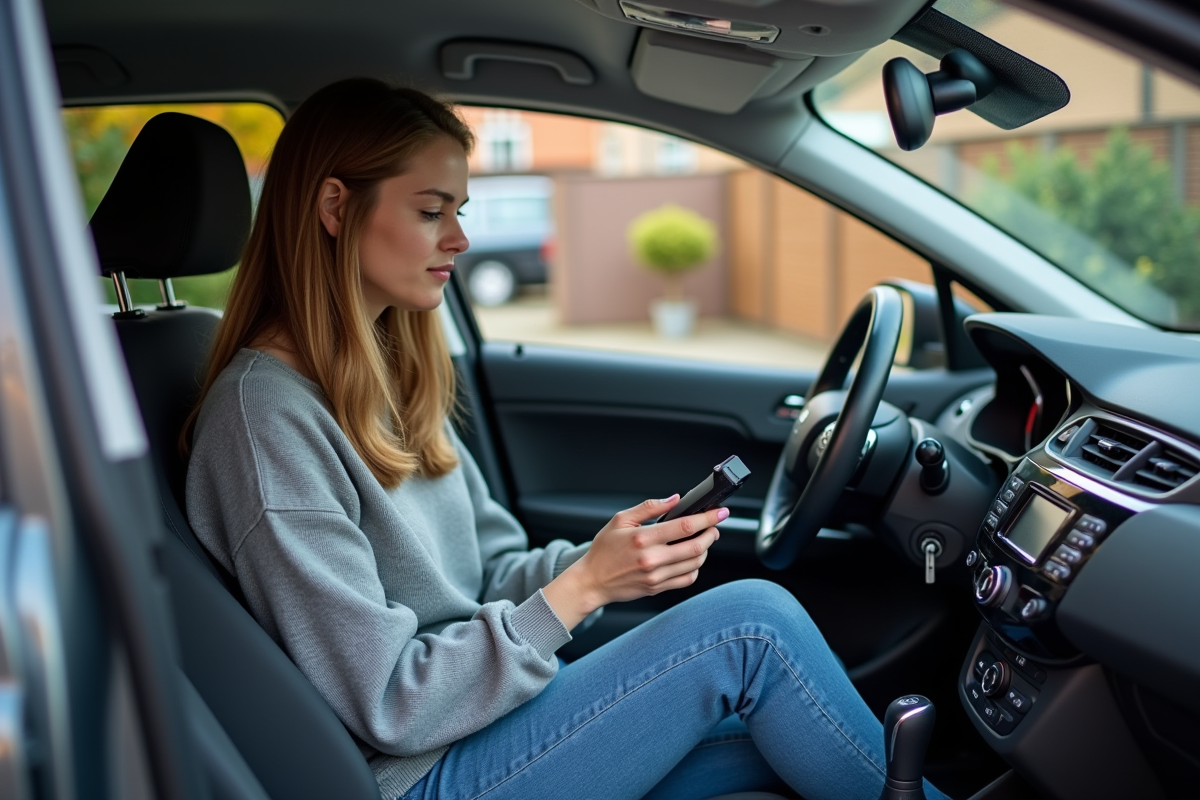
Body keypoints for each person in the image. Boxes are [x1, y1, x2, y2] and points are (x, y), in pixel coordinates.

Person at [184, 78, 948, 800]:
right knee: (753, 625)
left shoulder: (385, 376)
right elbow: (387, 702)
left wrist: (605, 556)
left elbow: (487, 572)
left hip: (485, 726)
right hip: (420, 773)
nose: (459, 238)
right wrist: (583, 591)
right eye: (430, 210)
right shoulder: (264, 422)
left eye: (462, 209)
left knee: (784, 735)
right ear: (333, 206)